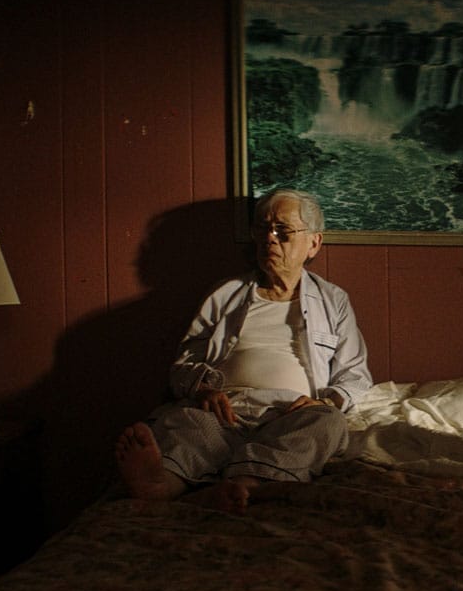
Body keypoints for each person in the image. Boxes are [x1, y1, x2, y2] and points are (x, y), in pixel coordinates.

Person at [114, 188, 372, 513]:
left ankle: (244, 485)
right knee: (188, 423)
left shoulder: (333, 300)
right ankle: (160, 484)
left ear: (314, 243)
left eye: (283, 231)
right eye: (262, 229)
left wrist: (326, 400)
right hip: (225, 409)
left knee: (328, 423)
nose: (270, 239)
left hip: (290, 414)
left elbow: (355, 375)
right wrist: (203, 389)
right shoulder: (227, 294)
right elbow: (184, 364)